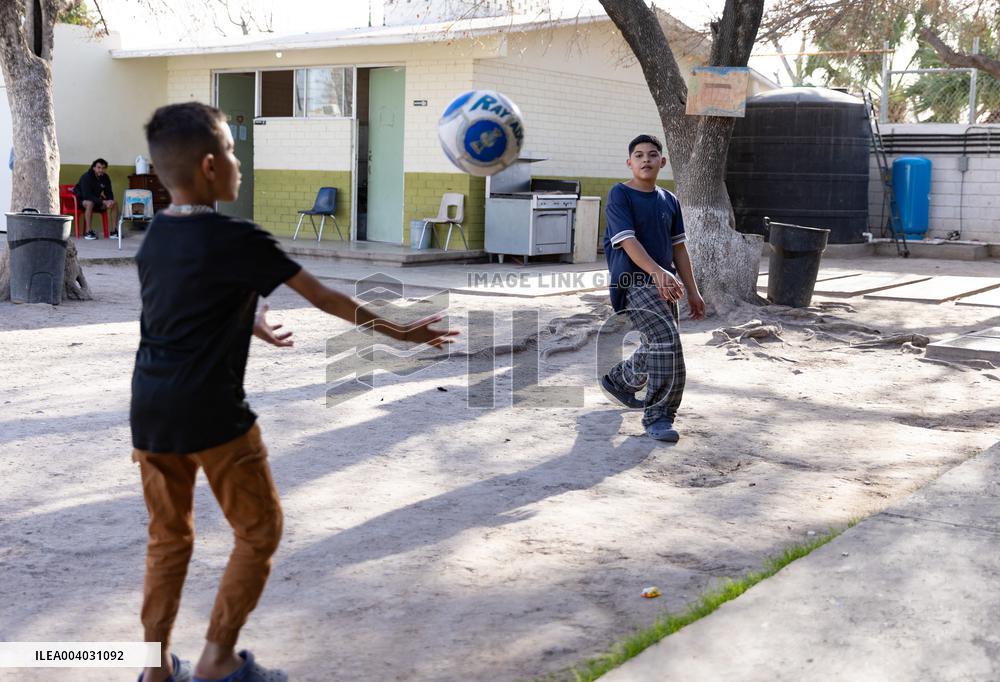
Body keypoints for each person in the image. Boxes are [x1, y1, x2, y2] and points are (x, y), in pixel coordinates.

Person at [131, 101, 457, 682]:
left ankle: (155, 670)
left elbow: (178, 306)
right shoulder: (239, 237)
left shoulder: (156, 234)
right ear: (209, 166)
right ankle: (217, 660)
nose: (238, 163)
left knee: (167, 539)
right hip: (214, 414)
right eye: (232, 151)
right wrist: (402, 331)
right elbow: (325, 297)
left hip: (150, 412)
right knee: (259, 531)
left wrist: (248, 318)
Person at [599, 134, 705, 443]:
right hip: (633, 281)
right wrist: (657, 272)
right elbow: (627, 241)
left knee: (658, 343)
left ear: (662, 161)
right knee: (666, 340)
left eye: (652, 154)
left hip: (664, 283)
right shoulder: (620, 194)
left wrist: (693, 290)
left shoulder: (669, 200)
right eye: (639, 155)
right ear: (629, 162)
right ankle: (659, 415)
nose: (646, 159)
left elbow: (679, 248)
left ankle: (620, 380)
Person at [74, 157, 118, 239]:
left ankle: (114, 231)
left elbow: (109, 191)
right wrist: (103, 202)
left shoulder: (105, 177)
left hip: (97, 201)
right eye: (99, 167)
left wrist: (110, 200)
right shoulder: (86, 177)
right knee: (90, 203)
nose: (101, 170)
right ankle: (88, 232)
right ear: (94, 168)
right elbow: (87, 195)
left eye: (103, 168)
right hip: (82, 201)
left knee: (114, 203)